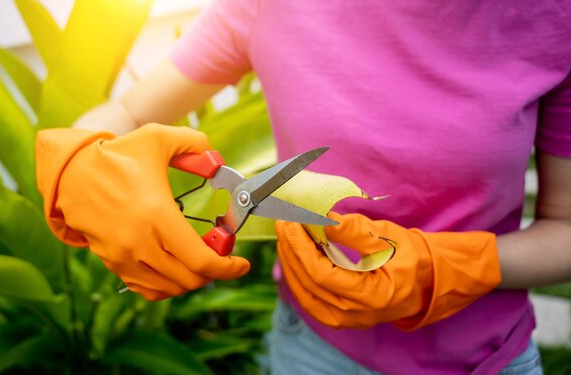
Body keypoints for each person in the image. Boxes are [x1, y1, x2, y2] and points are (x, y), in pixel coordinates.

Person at [35, 1, 571, 374]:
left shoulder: (555, 18)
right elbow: (126, 110)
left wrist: (455, 266)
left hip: (479, 360)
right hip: (308, 347)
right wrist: (87, 161)